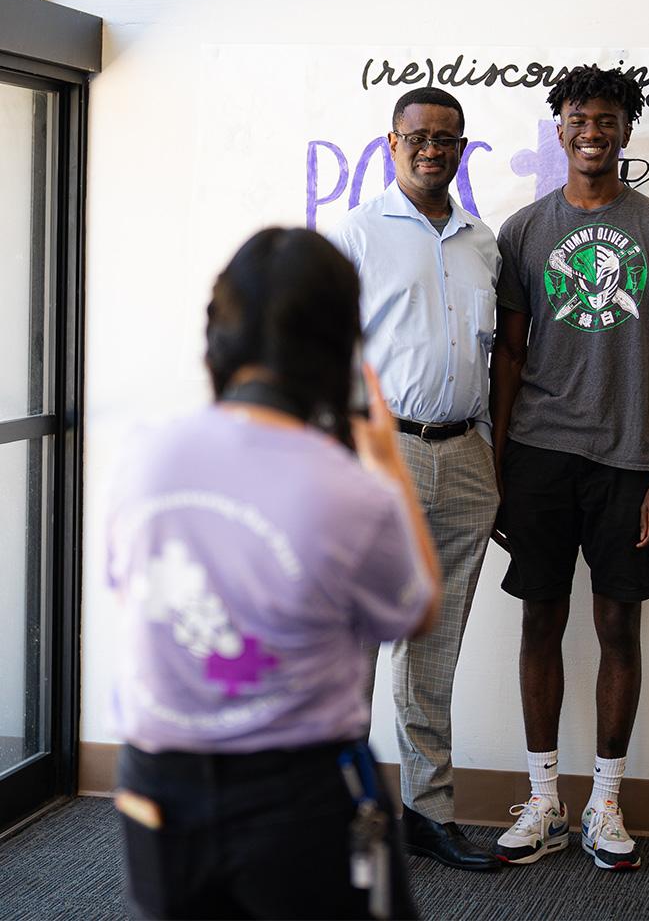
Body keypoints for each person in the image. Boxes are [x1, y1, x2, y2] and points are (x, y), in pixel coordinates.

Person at [107, 227, 441, 919]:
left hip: (152, 784)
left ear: (218, 334)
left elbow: (132, 589)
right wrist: (386, 462)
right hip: (299, 796)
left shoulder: (141, 457)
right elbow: (416, 613)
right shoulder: (352, 492)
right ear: (343, 346)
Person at [490, 65, 649, 870]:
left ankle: (606, 803)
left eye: (607, 119)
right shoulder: (522, 231)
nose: (592, 131)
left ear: (625, 130)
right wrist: (500, 462)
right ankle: (545, 800)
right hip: (540, 454)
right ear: (559, 128)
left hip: (628, 461)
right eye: (579, 117)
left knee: (619, 624)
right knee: (540, 619)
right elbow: (509, 354)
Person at [328, 87, 501, 870]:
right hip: (380, 456)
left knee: (434, 649)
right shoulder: (357, 236)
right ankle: (341, 818)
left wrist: (490, 453)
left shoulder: (482, 243)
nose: (433, 148)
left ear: (463, 148)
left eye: (448, 138)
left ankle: (426, 815)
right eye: (419, 136)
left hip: (465, 457)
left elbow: (490, 356)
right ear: (391, 143)